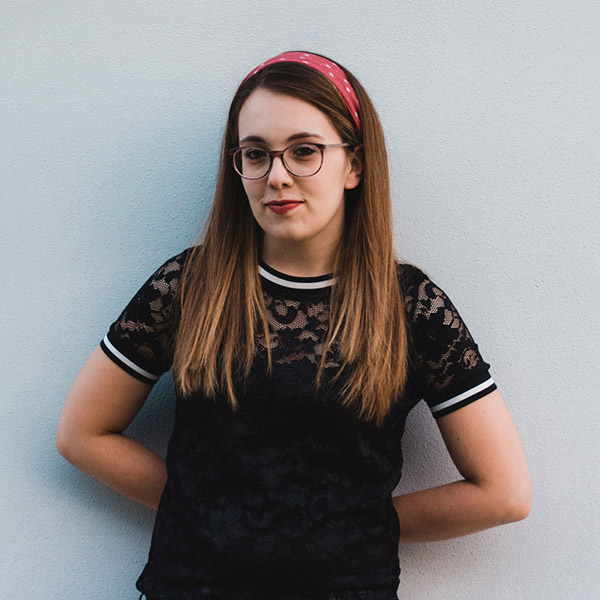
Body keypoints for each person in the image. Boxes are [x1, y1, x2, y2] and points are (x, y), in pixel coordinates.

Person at [56, 51, 531, 600]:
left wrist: (349, 526)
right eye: (255, 154)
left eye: (304, 151)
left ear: (354, 165)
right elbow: (82, 434)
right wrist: (204, 504)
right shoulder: (190, 287)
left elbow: (504, 493)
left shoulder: (409, 307)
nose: (277, 176)